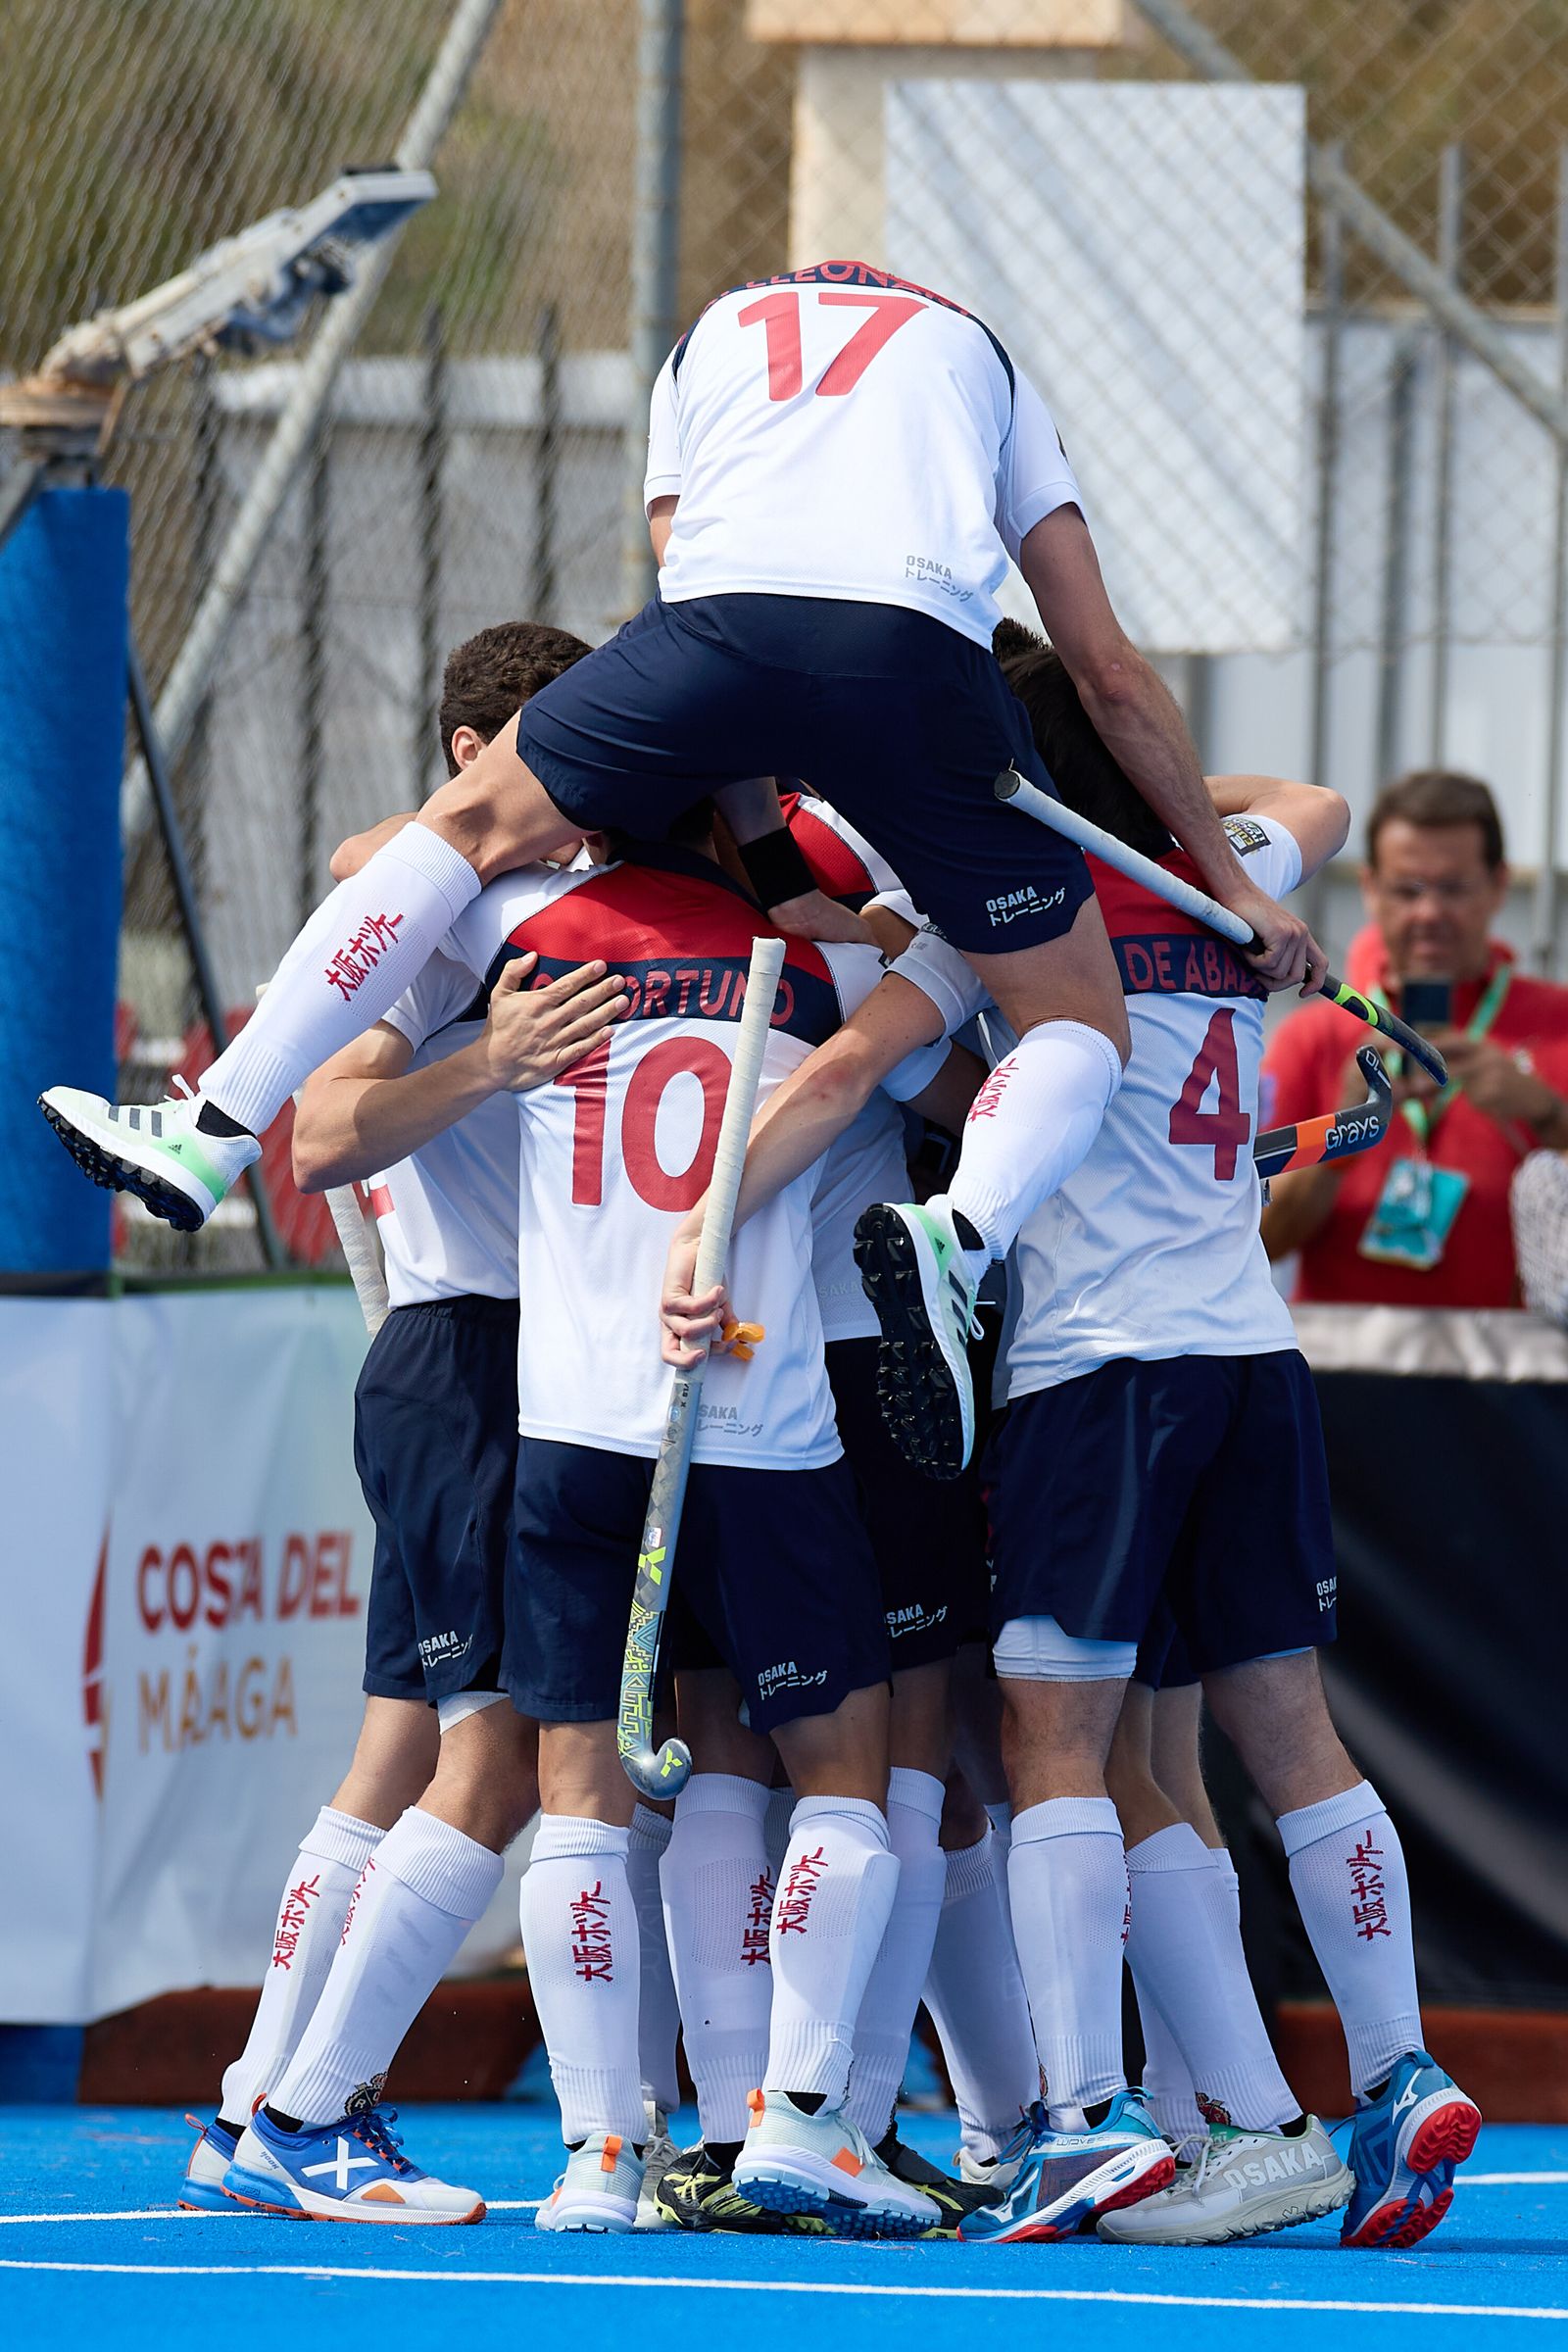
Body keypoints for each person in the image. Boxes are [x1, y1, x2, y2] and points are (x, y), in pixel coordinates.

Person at [41, 259, 1320, 1487]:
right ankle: (959, 1233)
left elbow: (697, 584)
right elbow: (1105, 671)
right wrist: (1232, 883)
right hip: (914, 651)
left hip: (717, 632)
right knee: (1074, 1021)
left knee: (463, 825)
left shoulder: (711, 337)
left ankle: (216, 1126)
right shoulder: (978, 350)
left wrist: (767, 860)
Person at [664, 646, 1480, 2251]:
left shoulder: (1006, 906)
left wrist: (693, 1231)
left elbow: (844, 1073)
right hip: (1252, 1358)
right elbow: (1313, 801)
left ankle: (1080, 2119)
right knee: (1285, 1739)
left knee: (1054, 1742)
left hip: (1097, 1372)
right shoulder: (1228, 878)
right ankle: (1395, 2072)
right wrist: (1169, 814)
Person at [402, 806, 979, 2236]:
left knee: (579, 1792)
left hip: (575, 1426)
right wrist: (885, 926)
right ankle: (799, 2122)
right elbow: (966, 1085)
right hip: (761, 1425)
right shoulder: (821, 963)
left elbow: (383, 864)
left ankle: (600, 2153)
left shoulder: (522, 929)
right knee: (841, 1771)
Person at [187, 623, 624, 2223]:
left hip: (496, 1362)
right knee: (497, 1763)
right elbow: (322, 1131)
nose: (583, 784)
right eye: (552, 751)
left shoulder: (515, 897)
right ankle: (315, 2113)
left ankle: (253, 2102)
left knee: (399, 1754)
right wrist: (491, 1065)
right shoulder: (440, 916)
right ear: (473, 756)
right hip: (474, 1360)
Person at [1262, 768, 1568, 1306]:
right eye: (1408, 890)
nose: (1429, 913)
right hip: (1343, 1353)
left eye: (1453, 888)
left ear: (1499, 886)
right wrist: (1341, 1135)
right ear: (1370, 889)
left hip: (1518, 1354)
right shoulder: (1312, 1038)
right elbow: (1256, 1239)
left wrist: (1548, 1116)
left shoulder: (1557, 1023)